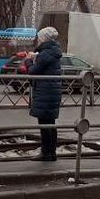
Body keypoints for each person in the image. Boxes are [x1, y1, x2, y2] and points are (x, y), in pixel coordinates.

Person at [28, 26, 63, 162]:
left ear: (44, 39)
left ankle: (46, 152)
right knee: (50, 123)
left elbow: (33, 71)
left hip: (45, 92)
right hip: (51, 92)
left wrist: (30, 61)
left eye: (39, 38)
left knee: (45, 124)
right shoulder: (52, 52)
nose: (38, 40)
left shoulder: (45, 53)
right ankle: (51, 152)